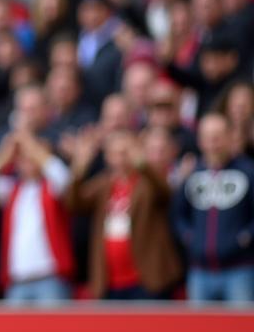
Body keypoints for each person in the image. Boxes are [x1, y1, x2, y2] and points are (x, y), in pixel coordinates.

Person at [66, 129, 182, 299]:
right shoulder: (104, 183)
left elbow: (164, 192)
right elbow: (73, 204)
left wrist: (142, 164)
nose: (120, 159)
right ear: (107, 157)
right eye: (115, 153)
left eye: (125, 152)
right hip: (110, 281)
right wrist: (78, 170)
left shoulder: (146, 182)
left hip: (146, 280)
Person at [0, 128, 74, 303]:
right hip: (17, 281)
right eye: (23, 157)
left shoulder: (52, 188)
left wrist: (33, 147)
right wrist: (4, 155)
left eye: (33, 157)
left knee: (54, 330)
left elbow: (63, 177)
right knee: (14, 331)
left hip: (50, 278)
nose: (29, 161)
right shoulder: (11, 190)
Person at [172, 113, 254, 303]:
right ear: (200, 140)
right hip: (200, 271)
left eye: (218, 136)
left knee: (242, 331)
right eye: (208, 137)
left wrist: (245, 237)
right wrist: (188, 236)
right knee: (199, 331)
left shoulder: (248, 171)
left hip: (240, 270)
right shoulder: (192, 174)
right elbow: (178, 214)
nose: (213, 143)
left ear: (230, 136)